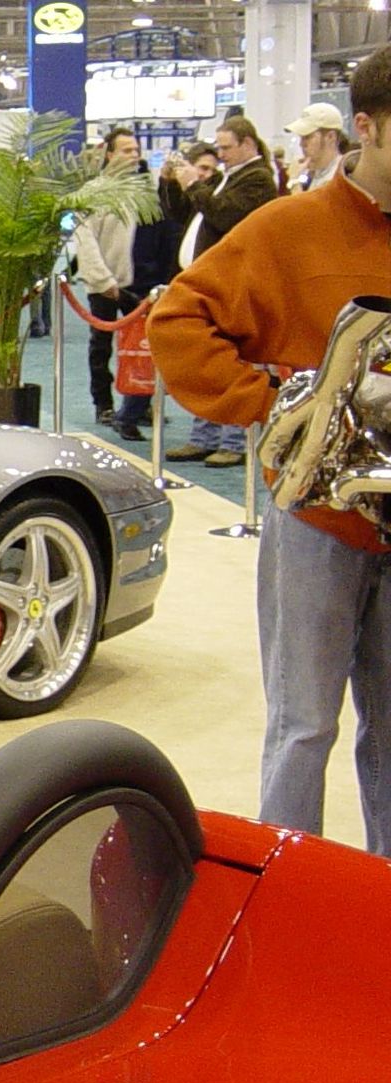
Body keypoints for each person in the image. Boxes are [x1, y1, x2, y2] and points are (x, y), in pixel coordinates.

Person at [150, 46, 391, 856]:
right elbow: (179, 319)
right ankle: (288, 892)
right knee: (304, 727)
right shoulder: (291, 227)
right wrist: (273, 411)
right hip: (317, 521)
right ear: (366, 127)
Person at [165, 115, 281, 466]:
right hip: (211, 283)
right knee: (209, 363)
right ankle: (205, 435)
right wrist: (172, 183)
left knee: (236, 363)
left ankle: (234, 440)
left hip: (237, 284)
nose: (221, 153)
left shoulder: (258, 180)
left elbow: (224, 216)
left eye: (227, 147)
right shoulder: (226, 177)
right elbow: (184, 213)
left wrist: (194, 185)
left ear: (248, 144)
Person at [75, 128, 149, 430]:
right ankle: (103, 404)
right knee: (101, 347)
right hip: (104, 284)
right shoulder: (94, 192)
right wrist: (103, 281)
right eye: (126, 150)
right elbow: (85, 241)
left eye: (136, 150)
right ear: (110, 154)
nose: (133, 156)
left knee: (141, 346)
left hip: (137, 282)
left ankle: (138, 404)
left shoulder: (143, 190)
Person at [286, 102, 349, 193]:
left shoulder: (340, 178)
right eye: (301, 137)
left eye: (307, 137)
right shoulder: (318, 174)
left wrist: (294, 181)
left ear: (331, 137)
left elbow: (305, 204)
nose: (301, 144)